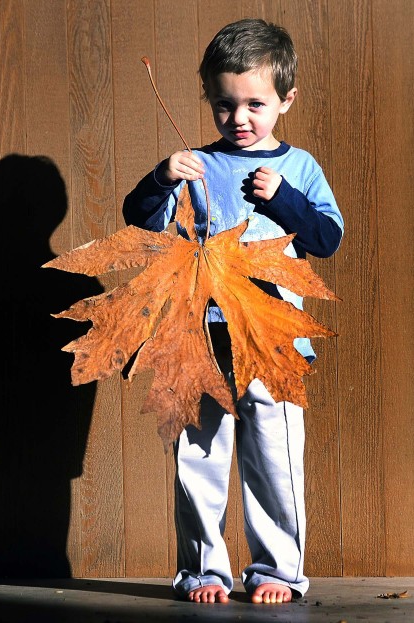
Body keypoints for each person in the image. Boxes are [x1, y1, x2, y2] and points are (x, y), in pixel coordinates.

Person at [123, 18, 344, 604]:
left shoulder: (299, 169)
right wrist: (160, 177)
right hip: (200, 336)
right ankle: (203, 570)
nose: (239, 118)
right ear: (209, 101)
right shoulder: (194, 163)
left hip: (272, 342)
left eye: (255, 104)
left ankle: (278, 570)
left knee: (275, 459)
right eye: (225, 105)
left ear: (285, 101)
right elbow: (141, 221)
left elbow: (325, 239)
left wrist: (287, 201)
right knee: (198, 457)